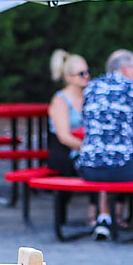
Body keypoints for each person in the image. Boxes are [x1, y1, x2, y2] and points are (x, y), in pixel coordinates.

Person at [78, 49, 133, 242]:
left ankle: (104, 220)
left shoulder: (91, 87)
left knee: (104, 157)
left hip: (88, 167)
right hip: (121, 166)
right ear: (127, 69)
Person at [47, 49, 90, 177]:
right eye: (81, 73)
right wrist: (90, 149)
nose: (86, 76)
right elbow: (64, 137)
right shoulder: (60, 100)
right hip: (65, 156)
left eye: (87, 72)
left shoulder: (89, 96)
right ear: (68, 77)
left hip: (83, 154)